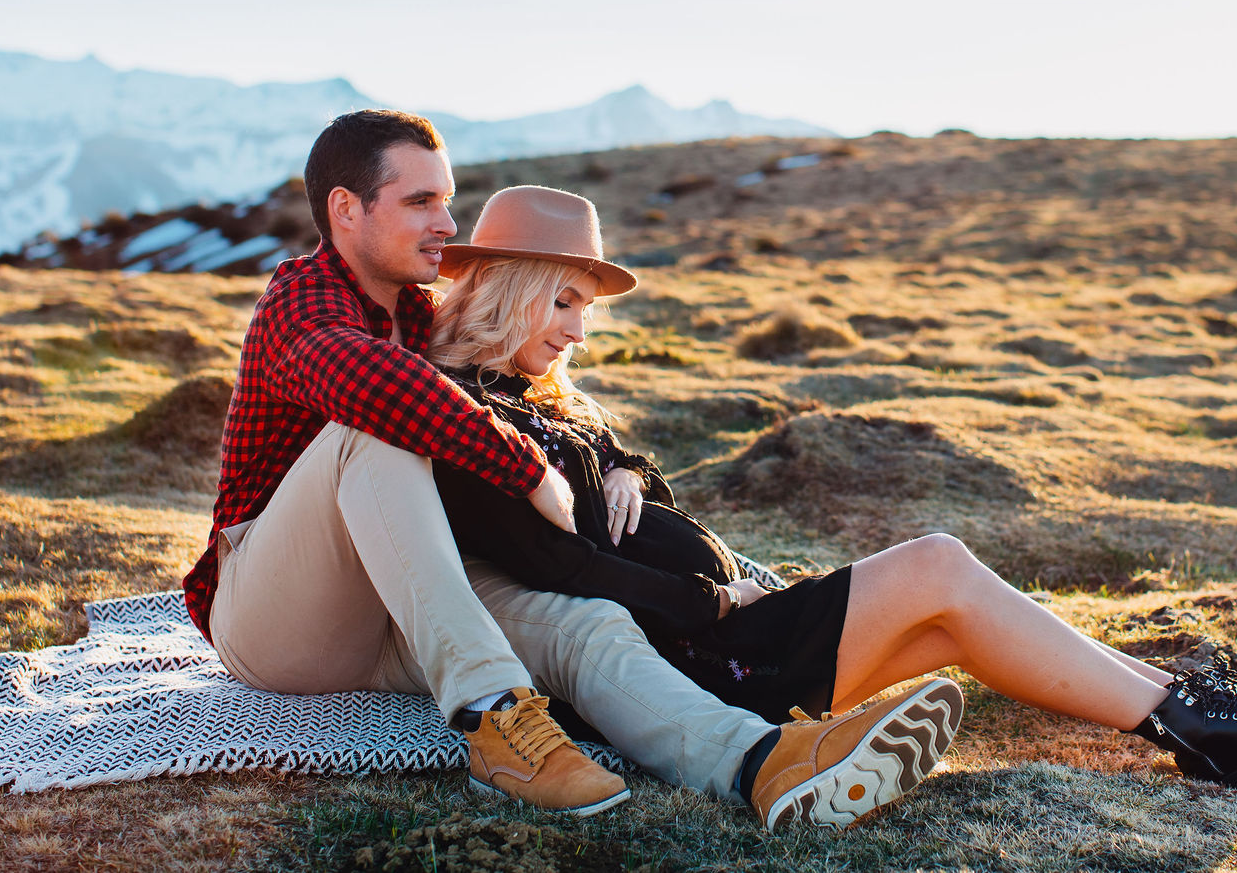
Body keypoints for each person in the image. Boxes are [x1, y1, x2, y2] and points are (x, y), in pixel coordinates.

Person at [429, 185, 1237, 788]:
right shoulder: (467, 414)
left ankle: (1200, 717)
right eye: (563, 302)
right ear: (509, 285)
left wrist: (630, 467)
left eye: (584, 308)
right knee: (937, 566)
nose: (579, 331)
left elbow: (631, 494)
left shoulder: (546, 400)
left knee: (952, 619)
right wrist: (717, 593)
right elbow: (557, 566)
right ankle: (1203, 719)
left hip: (724, 630)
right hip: (700, 654)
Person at [186, 110, 962, 830]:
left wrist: (618, 460)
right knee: (377, 431)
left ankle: (760, 761)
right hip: (278, 614)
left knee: (588, 624)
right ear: (346, 209)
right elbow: (368, 382)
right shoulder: (301, 299)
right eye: (421, 201)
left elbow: (531, 396)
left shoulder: (422, 316)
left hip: (397, 610)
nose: (446, 223)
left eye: (448, 200)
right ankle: (493, 712)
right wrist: (523, 467)